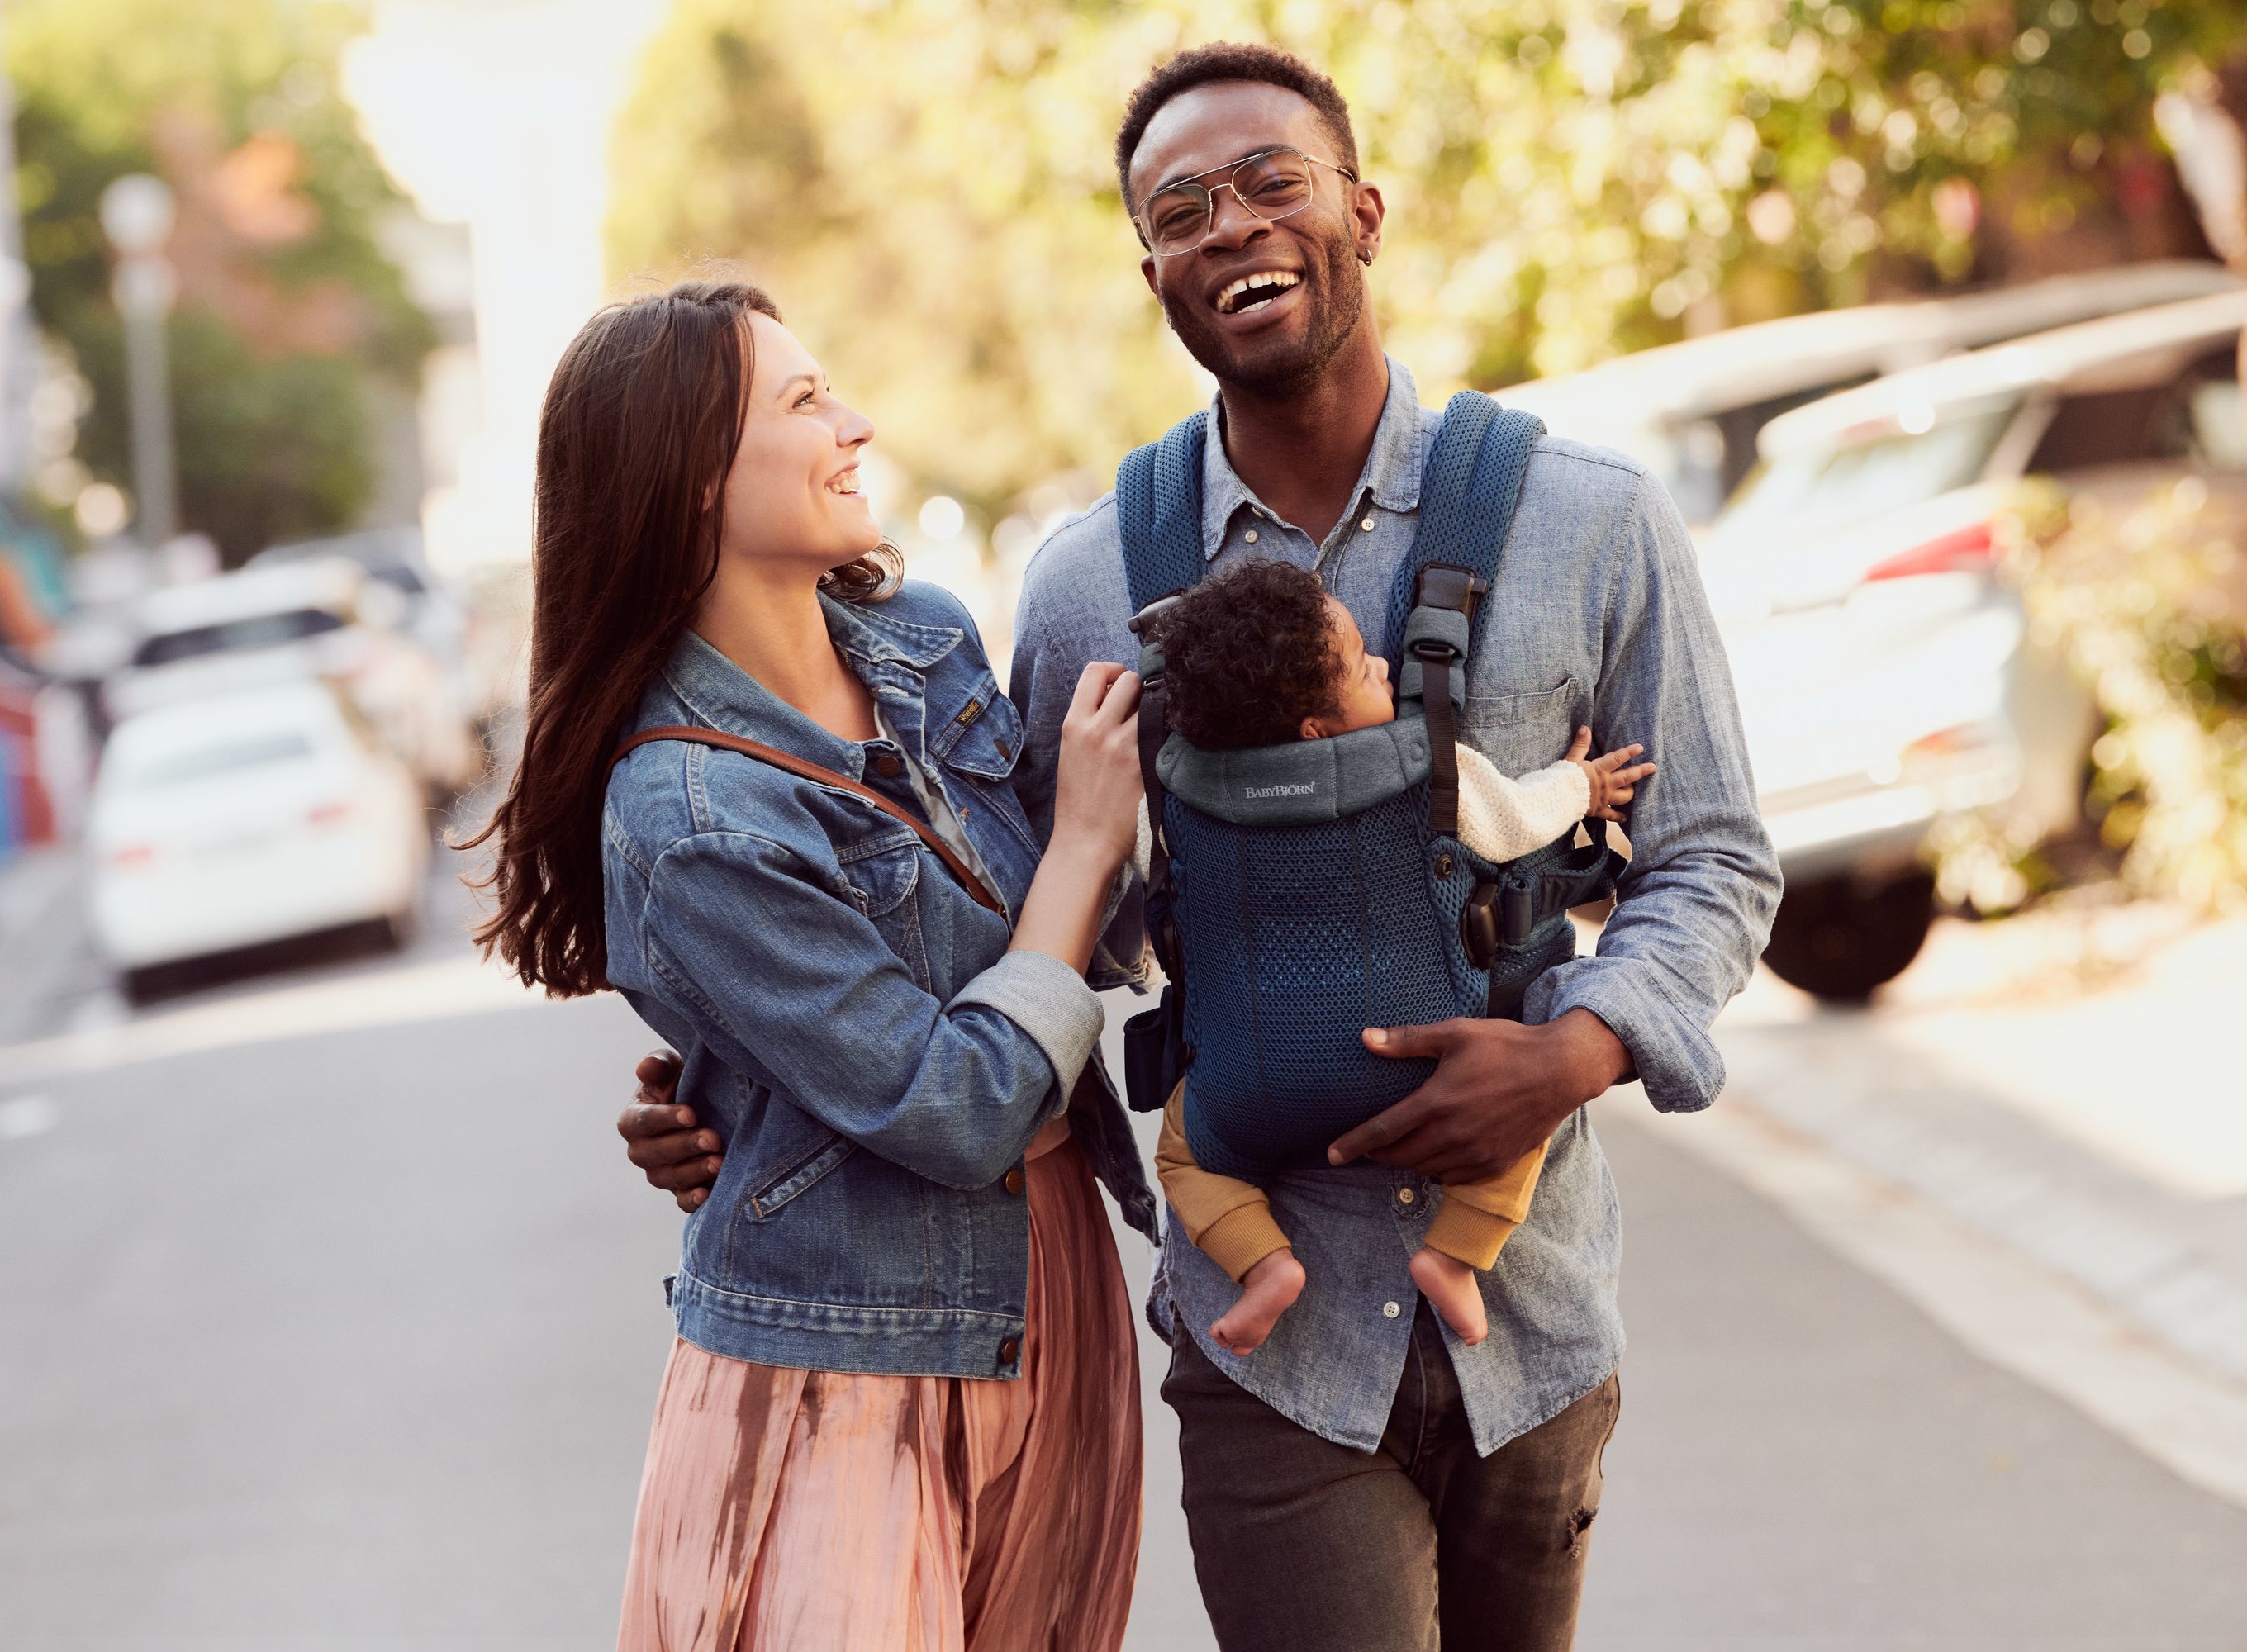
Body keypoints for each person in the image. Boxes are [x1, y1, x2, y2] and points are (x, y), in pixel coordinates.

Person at [625, 41, 1781, 1652]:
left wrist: (1572, 1053)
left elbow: (1714, 857)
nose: (1231, 226)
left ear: (1361, 211)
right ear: (1152, 270)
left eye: (1270, 184)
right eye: (1183, 209)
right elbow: (1026, 922)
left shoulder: (1586, 519)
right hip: (1264, 1345)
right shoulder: (1089, 581)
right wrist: (730, 1081)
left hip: (1535, 1308)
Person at [471, 279, 1157, 1651]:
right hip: (849, 1356)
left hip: (1052, 1287)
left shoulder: (927, 642)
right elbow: (958, 1106)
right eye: (803, 403)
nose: (854, 424)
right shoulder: (686, 821)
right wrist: (1083, 845)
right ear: (687, 483)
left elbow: (1059, 941)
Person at [1138, 555, 1654, 1356]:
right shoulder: (1425, 766)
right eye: (1358, 664)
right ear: (1315, 727)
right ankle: (1451, 1256)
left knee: (1183, 1153)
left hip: (1252, 1093)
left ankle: (1267, 1267)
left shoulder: (1184, 790)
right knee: (1529, 1104)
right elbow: (1519, 821)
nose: (1382, 660)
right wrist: (1581, 785)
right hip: (1435, 1074)